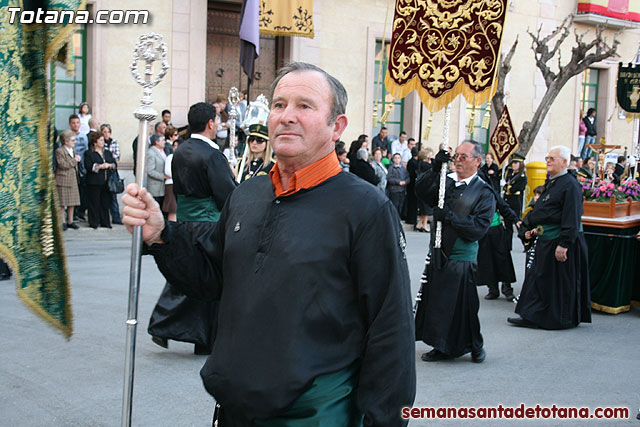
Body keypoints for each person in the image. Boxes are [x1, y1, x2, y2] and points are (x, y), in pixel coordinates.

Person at [122, 62, 415, 426]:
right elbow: (213, 274)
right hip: (236, 405)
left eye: (304, 106)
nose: (286, 116)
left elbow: (390, 328)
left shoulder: (367, 208)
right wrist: (160, 233)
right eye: (279, 105)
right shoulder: (248, 193)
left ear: (336, 126)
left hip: (315, 412)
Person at [147, 102, 237, 356]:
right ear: (210, 123)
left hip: (184, 221)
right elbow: (225, 194)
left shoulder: (179, 151)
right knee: (208, 280)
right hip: (208, 224)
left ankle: (164, 326)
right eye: (216, 120)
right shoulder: (212, 155)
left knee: (181, 275)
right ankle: (202, 338)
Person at [414, 141, 495, 363]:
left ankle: (475, 344)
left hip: (461, 257)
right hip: (439, 252)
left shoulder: (483, 192)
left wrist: (449, 217)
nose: (457, 160)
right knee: (437, 302)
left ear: (477, 161)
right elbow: (421, 191)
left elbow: (479, 227)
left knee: (464, 306)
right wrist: (433, 169)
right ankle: (440, 345)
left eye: (463, 157)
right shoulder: (445, 182)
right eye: (455, 156)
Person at [508, 146, 591, 329]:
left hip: (559, 240)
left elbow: (572, 216)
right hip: (545, 238)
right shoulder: (552, 181)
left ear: (564, 162)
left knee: (556, 283)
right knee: (538, 278)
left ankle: (557, 319)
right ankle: (532, 315)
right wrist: (531, 228)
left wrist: (564, 243)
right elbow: (544, 210)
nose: (548, 161)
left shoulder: (570, 185)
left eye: (552, 158)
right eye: (547, 158)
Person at [477, 167, 521, 301]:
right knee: (487, 260)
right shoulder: (470, 192)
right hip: (482, 231)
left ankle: (507, 288)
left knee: (502, 259)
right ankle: (493, 288)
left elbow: (504, 207)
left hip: (496, 229)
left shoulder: (490, 191)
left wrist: (516, 220)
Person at [84, 131, 116, 229]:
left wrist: (110, 165)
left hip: (106, 182)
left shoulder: (107, 153)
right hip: (94, 182)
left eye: (103, 140)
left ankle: (105, 221)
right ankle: (94, 222)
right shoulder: (89, 153)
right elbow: (88, 166)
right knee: (94, 202)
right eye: (101, 140)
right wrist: (101, 166)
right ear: (95, 142)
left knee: (105, 203)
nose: (103, 142)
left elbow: (114, 164)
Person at [54, 129, 81, 230]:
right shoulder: (59, 151)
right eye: (72, 140)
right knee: (62, 202)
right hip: (63, 179)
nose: (74, 142)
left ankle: (70, 221)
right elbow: (62, 165)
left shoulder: (73, 150)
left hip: (72, 178)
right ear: (65, 141)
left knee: (72, 202)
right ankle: (62, 221)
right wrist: (75, 161)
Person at [503, 155, 527, 248]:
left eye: (516, 163)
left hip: (515, 202)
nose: (513, 165)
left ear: (520, 164)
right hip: (508, 200)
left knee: (518, 224)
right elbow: (506, 185)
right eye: (513, 163)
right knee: (508, 226)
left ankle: (526, 243)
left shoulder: (522, 177)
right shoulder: (511, 174)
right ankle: (508, 246)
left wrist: (509, 188)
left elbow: (516, 188)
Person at [101, 124, 122, 224]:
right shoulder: (100, 143)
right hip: (103, 171)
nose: (106, 134)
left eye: (108, 132)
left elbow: (117, 156)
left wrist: (109, 159)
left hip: (112, 171)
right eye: (104, 132)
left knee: (113, 195)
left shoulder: (114, 142)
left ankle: (116, 217)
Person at [70, 114, 88, 221]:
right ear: (70, 124)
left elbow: (86, 151)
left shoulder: (84, 136)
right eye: (73, 123)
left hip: (82, 168)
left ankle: (81, 212)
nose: (76, 125)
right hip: (72, 167)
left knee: (82, 191)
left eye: (77, 122)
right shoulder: (67, 135)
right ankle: (73, 213)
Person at [146, 133, 167, 208]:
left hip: (162, 187)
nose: (165, 142)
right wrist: (163, 176)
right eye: (163, 140)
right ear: (157, 142)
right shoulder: (151, 153)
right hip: (155, 188)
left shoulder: (162, 151)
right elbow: (150, 170)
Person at [162, 134, 180, 222]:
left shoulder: (183, 157)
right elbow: (168, 172)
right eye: (174, 146)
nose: (176, 148)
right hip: (171, 184)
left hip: (179, 185)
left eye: (178, 146)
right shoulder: (170, 157)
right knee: (172, 209)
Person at [415, 150, 433, 232]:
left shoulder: (419, 164)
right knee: (426, 208)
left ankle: (419, 224)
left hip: (421, 188)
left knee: (423, 208)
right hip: (425, 188)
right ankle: (424, 225)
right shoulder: (425, 165)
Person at [405, 145, 419, 225]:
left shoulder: (411, 161)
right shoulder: (414, 162)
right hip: (412, 185)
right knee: (412, 203)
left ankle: (411, 218)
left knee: (411, 202)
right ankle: (411, 219)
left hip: (411, 184)